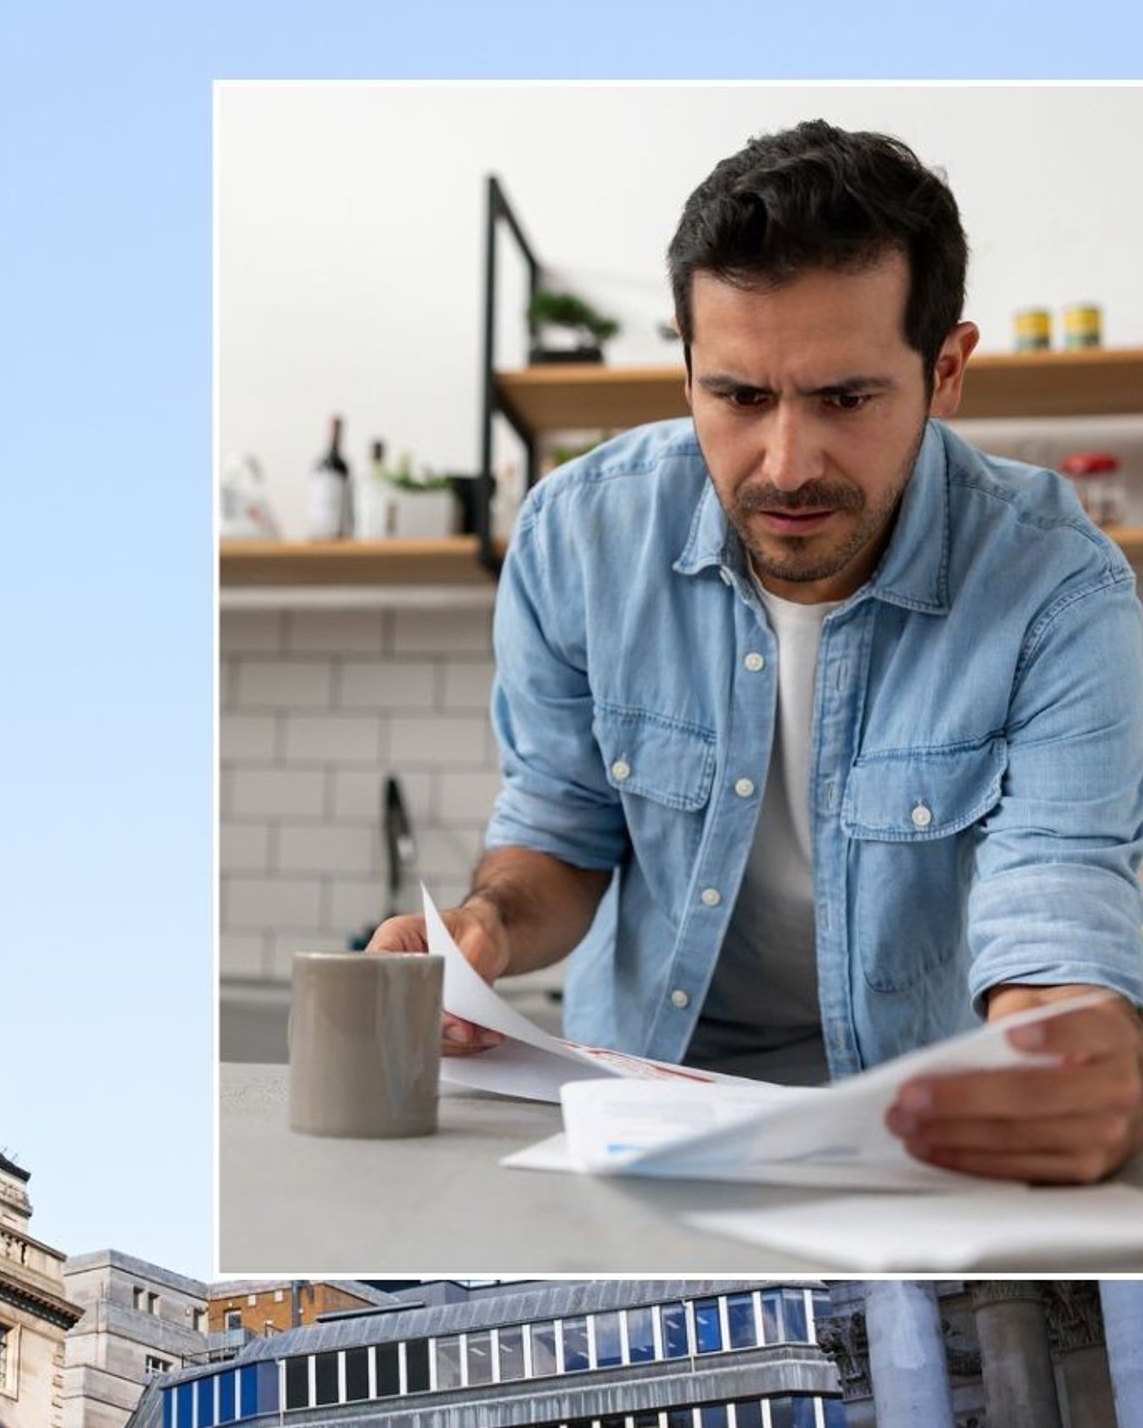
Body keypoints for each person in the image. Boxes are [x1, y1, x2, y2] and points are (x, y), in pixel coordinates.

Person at [369, 119, 1143, 1184]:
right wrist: (482, 930)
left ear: (946, 370)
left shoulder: (1061, 590)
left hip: (920, 1129)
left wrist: (1053, 1051)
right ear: (685, 368)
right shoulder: (575, 539)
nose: (783, 465)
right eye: (735, 397)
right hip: (642, 1105)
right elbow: (560, 829)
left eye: (844, 398)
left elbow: (1056, 886)